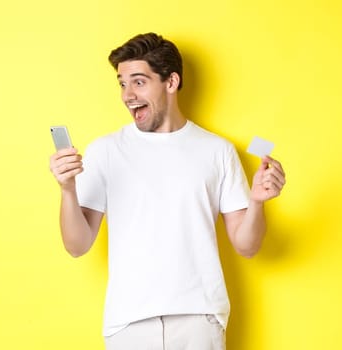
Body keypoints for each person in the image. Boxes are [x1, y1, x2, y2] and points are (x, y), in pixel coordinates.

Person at [48, 33, 286, 349]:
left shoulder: (217, 151)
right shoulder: (104, 151)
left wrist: (257, 202)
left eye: (138, 82)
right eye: (121, 84)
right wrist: (67, 190)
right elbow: (76, 245)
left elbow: (247, 245)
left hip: (199, 319)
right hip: (128, 324)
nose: (127, 95)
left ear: (171, 82)